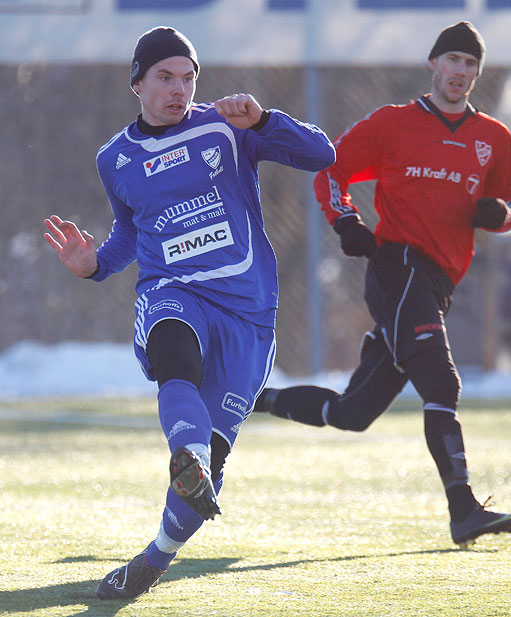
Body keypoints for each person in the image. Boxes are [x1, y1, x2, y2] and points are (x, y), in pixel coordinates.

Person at [43, 26, 335, 599]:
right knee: (172, 347)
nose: (179, 89)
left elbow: (322, 155)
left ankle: (156, 557)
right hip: (173, 287)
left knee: (215, 461)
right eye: (165, 77)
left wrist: (264, 119)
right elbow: (129, 230)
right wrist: (95, 264)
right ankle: (188, 453)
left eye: (188, 77)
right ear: (137, 84)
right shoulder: (115, 159)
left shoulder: (227, 127)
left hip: (248, 310)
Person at [255, 21, 511, 547]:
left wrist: (497, 214)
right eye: (452, 60)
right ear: (433, 64)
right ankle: (463, 509)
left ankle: (257, 400)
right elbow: (330, 170)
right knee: (443, 385)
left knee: (353, 412)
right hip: (398, 269)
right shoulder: (393, 124)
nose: (461, 72)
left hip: (438, 286)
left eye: (471, 64)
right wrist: (346, 222)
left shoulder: (493, 138)